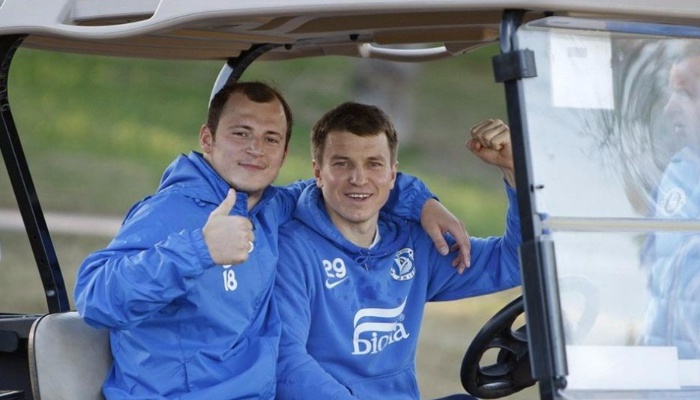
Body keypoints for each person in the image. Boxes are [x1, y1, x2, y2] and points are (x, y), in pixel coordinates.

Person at [74, 81, 473, 399]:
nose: (255, 150)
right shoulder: (171, 212)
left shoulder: (271, 207)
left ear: (283, 154)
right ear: (208, 139)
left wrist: (423, 202)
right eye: (241, 133)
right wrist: (199, 250)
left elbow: (345, 184)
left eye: (270, 138)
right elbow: (94, 298)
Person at [274, 102, 521, 400]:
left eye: (374, 164)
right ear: (318, 172)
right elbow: (287, 361)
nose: (359, 178)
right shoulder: (291, 251)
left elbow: (514, 262)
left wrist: (515, 170)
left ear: (393, 174)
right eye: (342, 163)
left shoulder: (414, 242)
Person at [638, 41, 700, 359]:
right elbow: (649, 273)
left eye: (685, 93)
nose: (669, 106)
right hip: (661, 370)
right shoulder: (674, 174)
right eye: (672, 92)